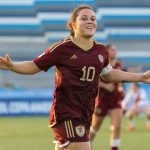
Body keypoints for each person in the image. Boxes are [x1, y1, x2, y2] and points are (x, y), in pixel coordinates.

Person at [0, 4, 150, 150]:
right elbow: (34, 66)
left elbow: (109, 74)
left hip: (85, 113)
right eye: (84, 18)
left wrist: (141, 77)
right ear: (72, 25)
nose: (90, 21)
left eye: (93, 18)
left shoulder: (101, 50)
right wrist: (12, 66)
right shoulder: (62, 48)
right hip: (66, 114)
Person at [89, 44, 124, 150]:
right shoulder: (101, 64)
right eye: (112, 50)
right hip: (102, 100)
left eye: (115, 50)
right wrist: (105, 86)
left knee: (117, 126)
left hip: (115, 100)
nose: (114, 52)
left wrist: (121, 89)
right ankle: (87, 145)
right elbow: (93, 80)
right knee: (95, 127)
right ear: (107, 51)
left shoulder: (118, 64)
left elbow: (119, 79)